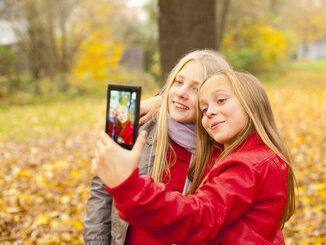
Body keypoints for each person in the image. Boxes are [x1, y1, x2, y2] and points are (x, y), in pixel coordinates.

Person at [92, 69, 297, 244]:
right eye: (204, 109)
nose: (209, 112)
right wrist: (163, 102)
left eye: (221, 100)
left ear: (252, 101)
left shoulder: (247, 166)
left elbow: (199, 216)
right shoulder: (250, 155)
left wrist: (129, 188)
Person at [83, 50, 231, 245]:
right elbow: (102, 191)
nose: (181, 93)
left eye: (196, 88)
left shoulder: (222, 149)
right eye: (178, 82)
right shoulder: (136, 125)